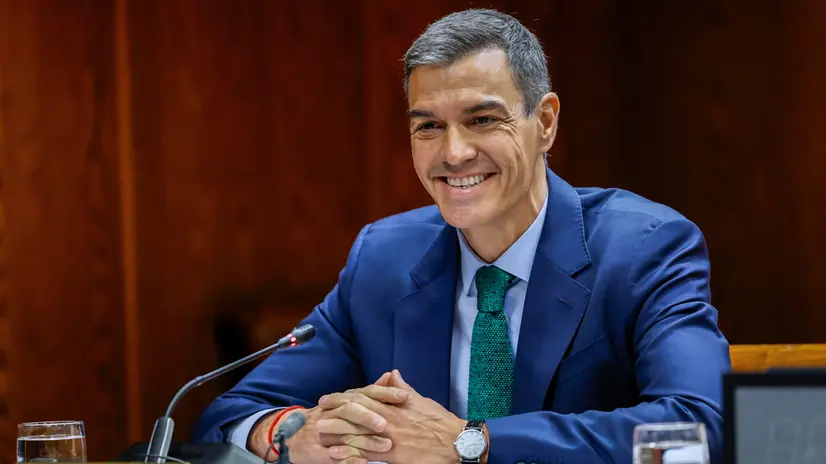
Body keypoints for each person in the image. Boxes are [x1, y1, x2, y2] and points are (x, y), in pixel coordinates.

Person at [193, 8, 730, 464]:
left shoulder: (645, 248)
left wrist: (470, 443)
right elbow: (229, 416)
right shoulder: (383, 258)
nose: (452, 154)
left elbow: (698, 431)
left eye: (481, 120)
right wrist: (295, 436)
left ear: (544, 122)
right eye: (428, 126)